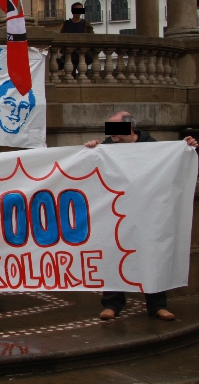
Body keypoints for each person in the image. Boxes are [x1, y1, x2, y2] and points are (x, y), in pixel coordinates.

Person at [85, 111, 198, 321]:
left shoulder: (151, 146)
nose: (110, 134)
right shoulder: (106, 147)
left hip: (148, 211)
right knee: (113, 253)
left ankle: (157, 305)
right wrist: (91, 148)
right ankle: (112, 303)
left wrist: (184, 147)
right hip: (116, 211)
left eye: (114, 128)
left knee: (152, 253)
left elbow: (171, 160)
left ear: (129, 127)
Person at [59, 2, 94, 74]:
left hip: (83, 52)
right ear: (72, 11)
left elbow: (91, 37)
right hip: (70, 53)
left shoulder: (86, 24)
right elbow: (61, 37)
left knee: (83, 73)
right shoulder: (67, 24)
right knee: (71, 73)